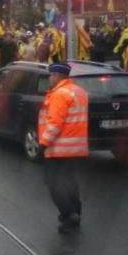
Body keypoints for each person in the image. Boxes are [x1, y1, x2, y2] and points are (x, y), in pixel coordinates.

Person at [38, 63, 89, 234]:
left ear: (57, 76)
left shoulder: (60, 94)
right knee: (70, 181)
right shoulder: (79, 91)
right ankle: (76, 210)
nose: (49, 78)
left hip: (59, 147)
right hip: (76, 146)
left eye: (50, 75)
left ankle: (68, 214)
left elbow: (55, 123)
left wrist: (43, 144)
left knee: (53, 183)